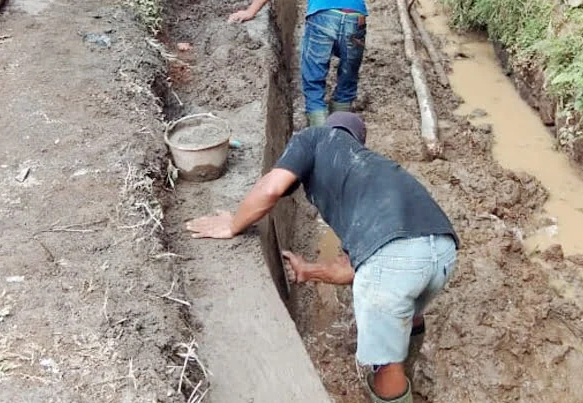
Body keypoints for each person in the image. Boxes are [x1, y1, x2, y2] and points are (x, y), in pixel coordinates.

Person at [186, 112, 458, 403]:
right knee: (410, 312)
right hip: (442, 250)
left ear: (331, 130)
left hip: (395, 259)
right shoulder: (372, 174)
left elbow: (270, 188)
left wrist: (233, 224)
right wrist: (309, 270)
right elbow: (360, 268)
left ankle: (393, 382)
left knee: (386, 364)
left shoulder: (315, 138)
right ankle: (408, 371)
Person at [229, 0, 366, 128]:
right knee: (347, 80)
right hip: (357, 17)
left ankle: (320, 138)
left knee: (314, 79)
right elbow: (351, 2)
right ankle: (339, 134)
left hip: (324, 12)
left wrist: (251, 11)